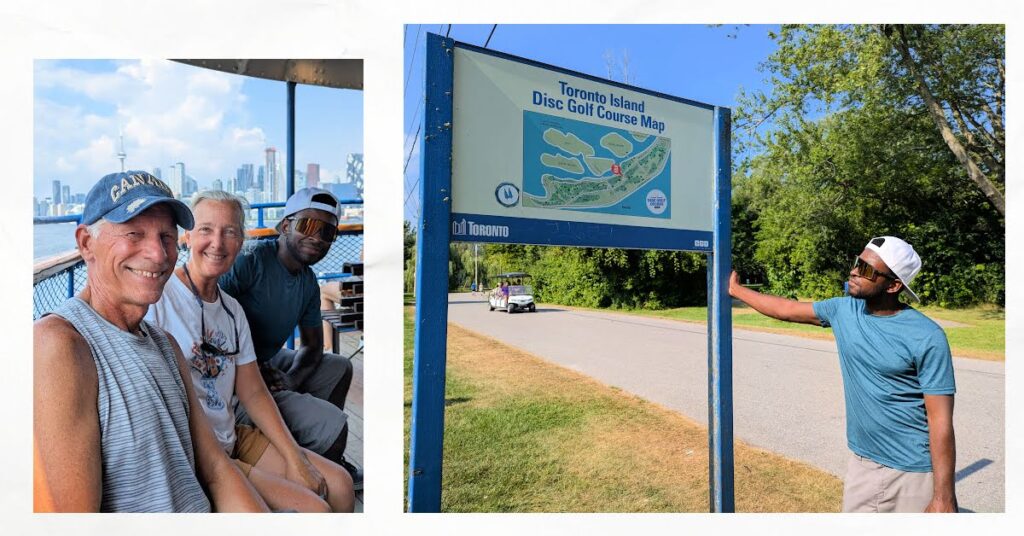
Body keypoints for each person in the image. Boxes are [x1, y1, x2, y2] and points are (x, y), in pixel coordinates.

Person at [34, 171, 268, 512]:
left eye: (166, 236)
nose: (158, 254)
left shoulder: (165, 345)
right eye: (134, 234)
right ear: (86, 244)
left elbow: (217, 469)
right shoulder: (60, 345)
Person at [145, 190, 354, 512]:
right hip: (197, 449)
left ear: (241, 241)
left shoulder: (232, 311)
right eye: (206, 230)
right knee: (316, 509)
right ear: (185, 237)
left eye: (230, 232)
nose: (217, 242)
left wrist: (295, 458)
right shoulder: (158, 300)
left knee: (339, 485)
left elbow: (254, 391)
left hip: (229, 431)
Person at [728, 236, 957, 513]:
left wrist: (943, 498)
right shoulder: (843, 310)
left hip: (911, 472)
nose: (855, 271)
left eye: (867, 269)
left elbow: (940, 420)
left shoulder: (927, 336)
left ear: (894, 285)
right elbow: (785, 310)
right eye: (857, 262)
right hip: (862, 463)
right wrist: (736, 291)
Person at [220, 187, 361, 488]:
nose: (318, 238)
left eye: (328, 232)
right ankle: (318, 466)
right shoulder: (252, 262)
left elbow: (311, 345)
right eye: (308, 226)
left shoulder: (308, 283)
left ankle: (311, 444)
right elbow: (211, 314)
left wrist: (293, 379)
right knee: (335, 426)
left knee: (338, 367)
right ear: (285, 226)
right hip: (233, 373)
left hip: (265, 361)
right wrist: (254, 367)